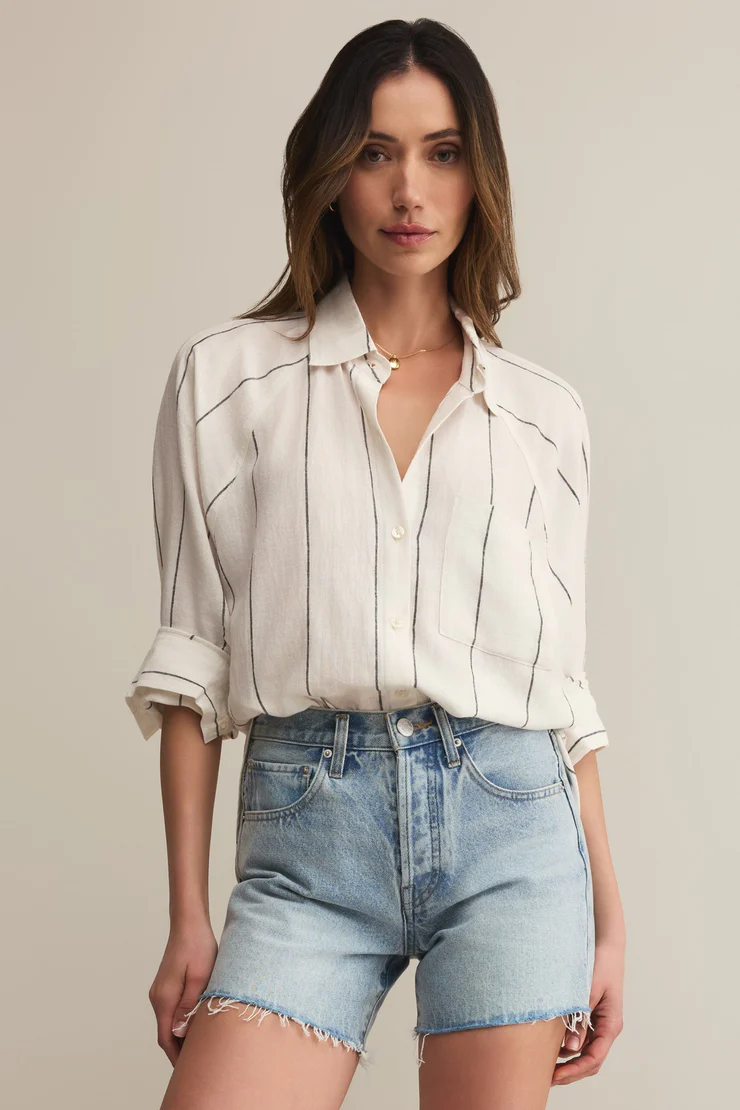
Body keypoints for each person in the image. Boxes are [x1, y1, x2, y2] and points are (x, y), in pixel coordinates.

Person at [125, 17, 625, 1110]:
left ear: (476, 174)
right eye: (373, 151)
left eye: (441, 152)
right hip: (309, 833)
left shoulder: (542, 417)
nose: (408, 188)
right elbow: (192, 664)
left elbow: (560, 689)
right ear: (329, 172)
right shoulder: (228, 381)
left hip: (512, 826)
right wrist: (187, 915)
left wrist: (607, 917)